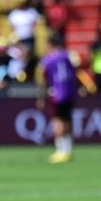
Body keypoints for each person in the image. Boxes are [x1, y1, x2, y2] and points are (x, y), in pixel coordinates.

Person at [38, 33, 78, 164]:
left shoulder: (47, 60)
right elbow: (76, 70)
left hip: (57, 93)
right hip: (70, 92)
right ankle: (68, 149)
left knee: (58, 121)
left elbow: (43, 79)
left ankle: (61, 151)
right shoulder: (69, 55)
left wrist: (41, 96)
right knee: (68, 119)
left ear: (50, 44)